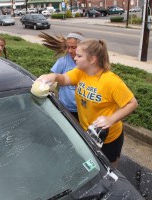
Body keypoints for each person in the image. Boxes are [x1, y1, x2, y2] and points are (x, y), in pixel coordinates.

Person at [36, 39, 138, 167]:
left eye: (79, 56)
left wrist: (111, 119)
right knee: (93, 163)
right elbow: (64, 79)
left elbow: (132, 103)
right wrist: (54, 77)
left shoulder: (111, 81)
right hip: (87, 132)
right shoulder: (80, 72)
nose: (74, 57)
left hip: (109, 137)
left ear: (92, 59)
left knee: (109, 166)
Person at [39, 32, 84, 120]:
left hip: (83, 109)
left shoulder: (86, 63)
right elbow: (53, 80)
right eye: (68, 47)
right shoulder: (63, 61)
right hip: (66, 107)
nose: (70, 50)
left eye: (74, 47)